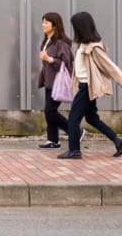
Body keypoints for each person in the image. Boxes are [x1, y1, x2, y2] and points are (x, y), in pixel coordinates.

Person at [58, 11, 122, 159]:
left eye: (75, 26)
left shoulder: (93, 47)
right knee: (91, 118)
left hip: (87, 88)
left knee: (73, 118)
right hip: (84, 86)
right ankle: (118, 140)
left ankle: (74, 150)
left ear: (80, 27)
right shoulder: (82, 45)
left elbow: (110, 66)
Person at [36, 12, 72, 149]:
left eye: (46, 22)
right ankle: (53, 140)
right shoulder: (46, 41)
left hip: (58, 81)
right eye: (43, 21)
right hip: (49, 81)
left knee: (50, 111)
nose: (43, 24)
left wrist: (49, 59)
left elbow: (67, 63)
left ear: (55, 25)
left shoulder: (61, 43)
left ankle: (75, 131)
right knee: (49, 111)